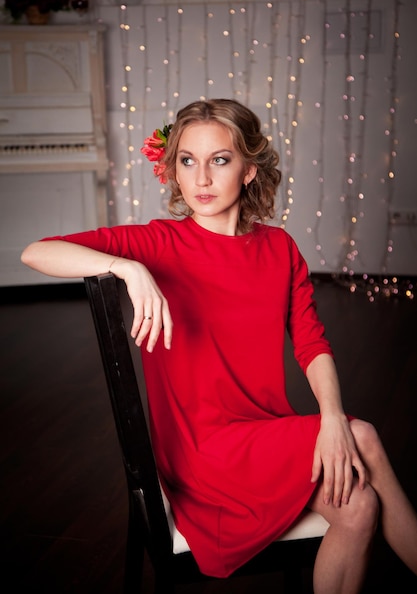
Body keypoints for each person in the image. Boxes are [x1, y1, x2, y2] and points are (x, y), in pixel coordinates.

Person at [21, 98, 417, 593]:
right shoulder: (160, 243)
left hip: (263, 433)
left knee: (359, 507)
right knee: (369, 438)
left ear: (249, 170)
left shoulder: (279, 249)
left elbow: (312, 343)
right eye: (187, 160)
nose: (202, 178)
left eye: (220, 160)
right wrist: (126, 266)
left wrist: (332, 419)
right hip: (202, 454)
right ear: (173, 169)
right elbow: (35, 251)